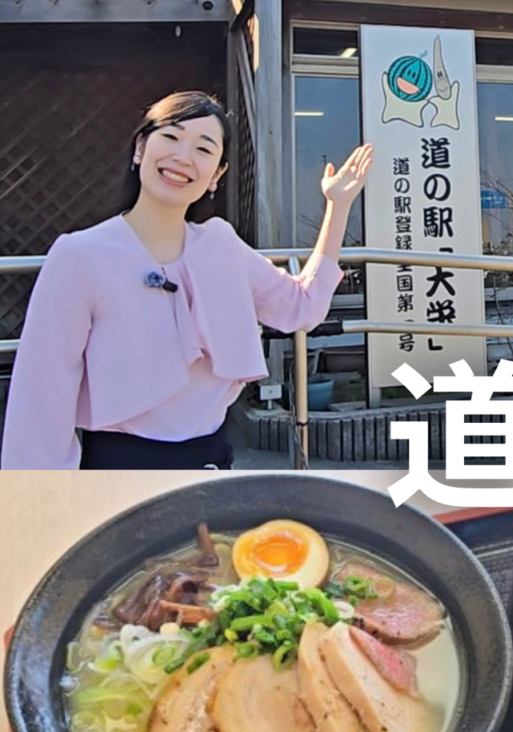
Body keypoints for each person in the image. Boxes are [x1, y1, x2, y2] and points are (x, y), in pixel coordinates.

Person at [2, 92, 372, 469]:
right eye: (171, 137)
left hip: (213, 469)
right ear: (140, 149)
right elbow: (41, 400)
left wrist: (338, 206)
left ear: (217, 175)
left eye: (204, 148)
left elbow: (301, 307)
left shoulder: (221, 245)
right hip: (118, 474)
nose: (183, 157)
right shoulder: (79, 256)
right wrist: (39, 508)